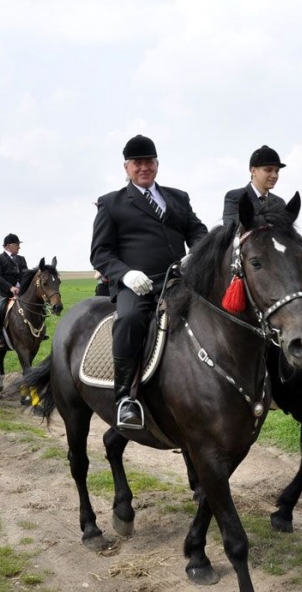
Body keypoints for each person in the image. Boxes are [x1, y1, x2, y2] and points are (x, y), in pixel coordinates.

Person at [91, 134, 208, 429]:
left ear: (157, 164)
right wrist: (126, 274)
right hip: (137, 285)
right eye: (137, 163)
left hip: (180, 280)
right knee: (130, 319)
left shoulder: (178, 197)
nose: (144, 167)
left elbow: (198, 232)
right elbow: (100, 253)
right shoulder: (111, 203)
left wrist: (195, 254)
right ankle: (125, 399)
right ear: (126, 167)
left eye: (149, 162)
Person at [222, 145, 302, 270]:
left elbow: (292, 237)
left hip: (274, 265)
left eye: (277, 171)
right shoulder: (235, 197)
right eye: (268, 170)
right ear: (253, 171)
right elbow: (231, 230)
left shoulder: (279, 203)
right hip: (244, 266)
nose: (274, 175)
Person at [0, 233, 28, 348]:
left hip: (21, 292)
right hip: (4, 292)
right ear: (8, 245)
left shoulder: (21, 259)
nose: (19, 247)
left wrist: (22, 287)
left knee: (36, 306)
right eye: (17, 245)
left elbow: (25, 275)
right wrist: (10, 287)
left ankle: (38, 332)